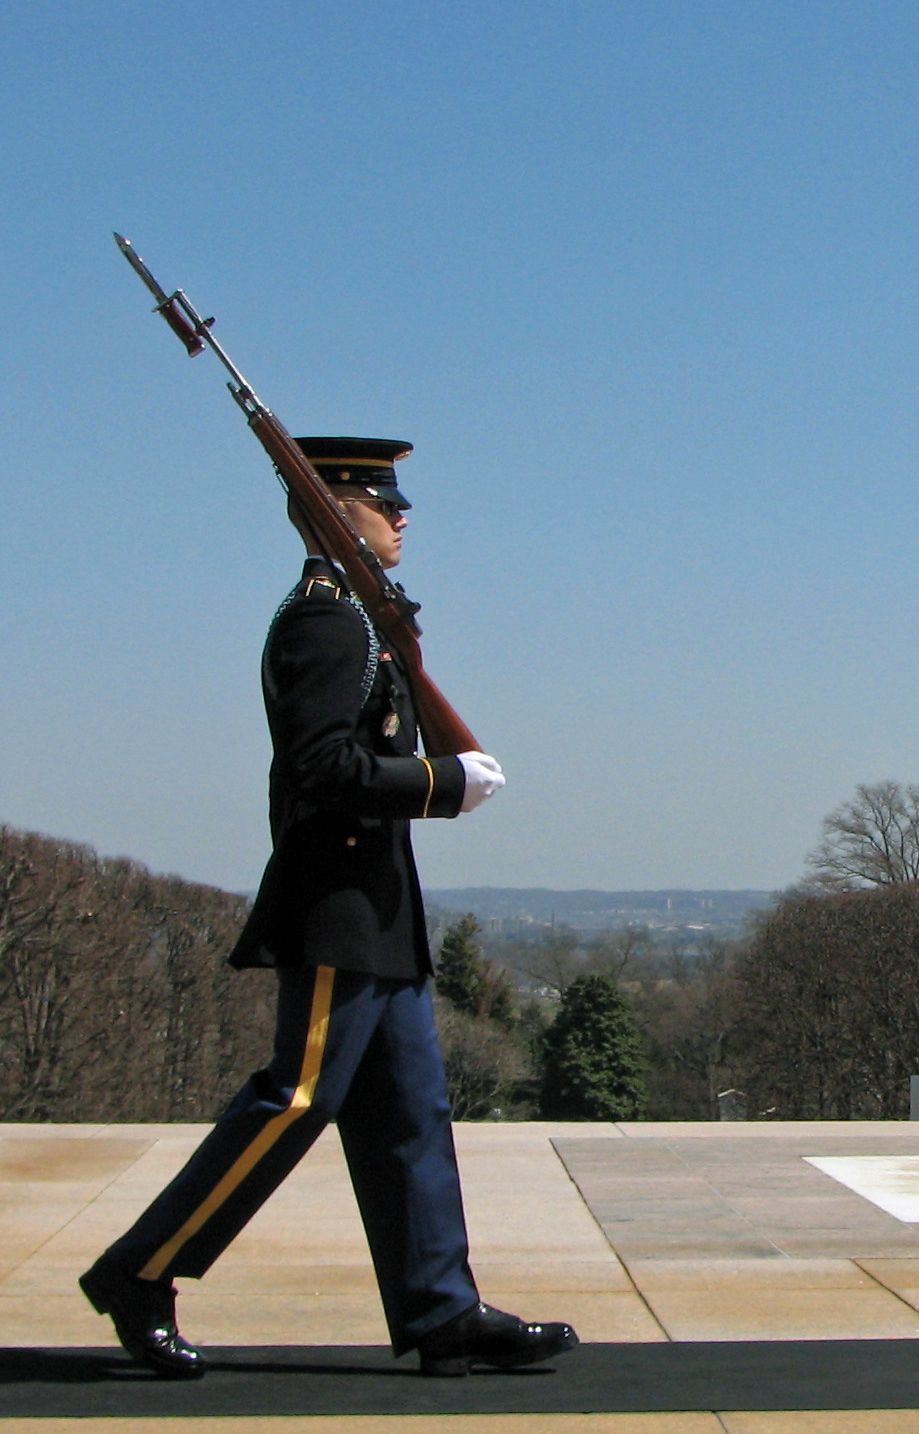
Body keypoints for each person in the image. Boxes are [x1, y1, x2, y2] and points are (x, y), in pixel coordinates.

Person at [78, 437, 576, 1379]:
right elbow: (321, 771)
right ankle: (137, 1270)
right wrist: (438, 783)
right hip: (336, 907)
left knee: (411, 1115)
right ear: (330, 506)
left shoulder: (365, 619)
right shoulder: (322, 623)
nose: (403, 514)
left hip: (382, 913)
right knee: (295, 1099)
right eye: (382, 499)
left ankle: (442, 1309)